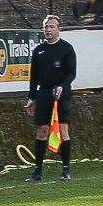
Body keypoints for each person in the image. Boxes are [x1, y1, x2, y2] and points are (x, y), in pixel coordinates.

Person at [24, 14, 77, 181]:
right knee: (42, 130)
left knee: (62, 129)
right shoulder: (38, 50)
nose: (48, 29)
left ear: (58, 29)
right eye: (46, 26)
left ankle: (66, 169)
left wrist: (62, 86)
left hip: (61, 94)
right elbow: (33, 77)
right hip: (44, 94)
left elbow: (72, 73)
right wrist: (32, 98)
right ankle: (38, 170)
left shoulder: (66, 48)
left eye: (52, 26)